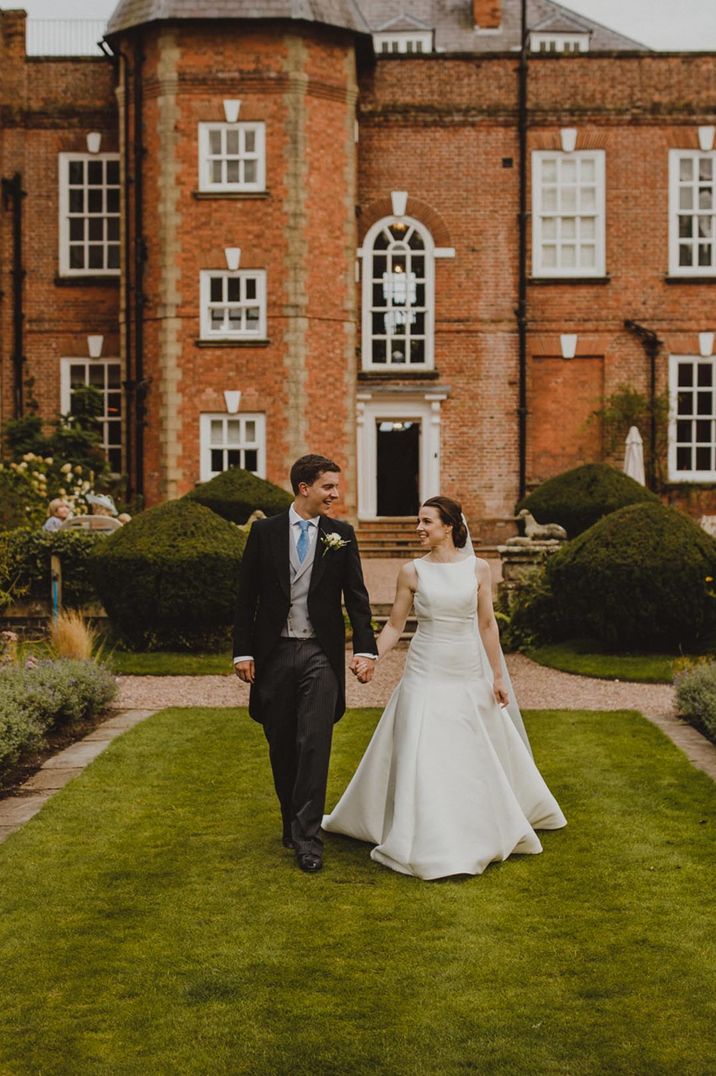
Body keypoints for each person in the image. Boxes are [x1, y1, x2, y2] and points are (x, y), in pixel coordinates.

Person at [323, 495, 567, 880]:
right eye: (418, 521)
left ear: (449, 526)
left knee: (471, 743)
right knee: (423, 743)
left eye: (426, 522)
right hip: (425, 667)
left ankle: (478, 820)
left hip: (468, 668)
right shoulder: (412, 571)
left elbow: (487, 625)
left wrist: (498, 676)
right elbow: (394, 626)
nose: (418, 528)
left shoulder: (479, 569)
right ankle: (421, 827)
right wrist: (370, 656)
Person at [233, 454, 377, 874]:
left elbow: (358, 598)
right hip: (275, 653)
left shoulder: (341, 535)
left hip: (319, 654)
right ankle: (291, 821)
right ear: (304, 488)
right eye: (329, 486)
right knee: (281, 745)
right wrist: (243, 651)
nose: (336, 494)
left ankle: (309, 839)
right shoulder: (265, 532)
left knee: (313, 744)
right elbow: (246, 598)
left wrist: (364, 649)